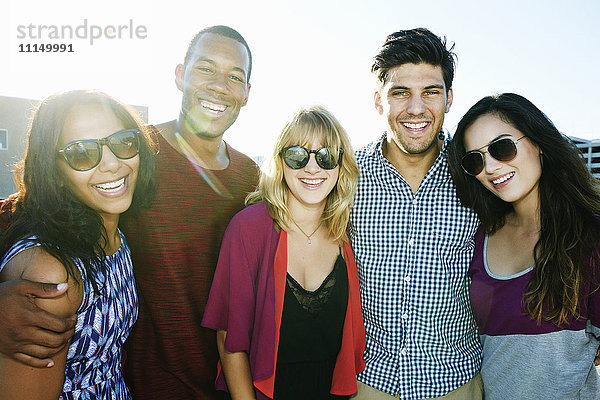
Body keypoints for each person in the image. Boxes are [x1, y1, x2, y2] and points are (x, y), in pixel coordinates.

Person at [0, 25, 259, 399]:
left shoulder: (249, 175)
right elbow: (22, 214)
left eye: (234, 76)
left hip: (219, 380)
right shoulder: (133, 151)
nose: (219, 85)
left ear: (246, 93)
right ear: (179, 75)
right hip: (144, 385)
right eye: (205, 68)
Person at [349, 28, 483, 399]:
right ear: (379, 100)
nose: (416, 109)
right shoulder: (345, 175)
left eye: (431, 92)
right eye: (400, 93)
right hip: (366, 382)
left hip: (456, 382)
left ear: (449, 98)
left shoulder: (478, 175)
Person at [0, 89, 157, 399]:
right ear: (55, 172)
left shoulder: (116, 238)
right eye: (82, 152)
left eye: (123, 142)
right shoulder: (50, 274)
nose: (112, 164)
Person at [202, 105, 365, 400]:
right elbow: (229, 338)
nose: (312, 168)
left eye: (326, 156)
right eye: (297, 155)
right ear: (280, 161)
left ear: (341, 165)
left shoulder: (346, 233)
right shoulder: (249, 228)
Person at [447, 93, 600, 399]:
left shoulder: (591, 236)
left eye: (501, 147)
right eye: (475, 160)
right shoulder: (478, 238)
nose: (490, 167)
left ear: (538, 142)